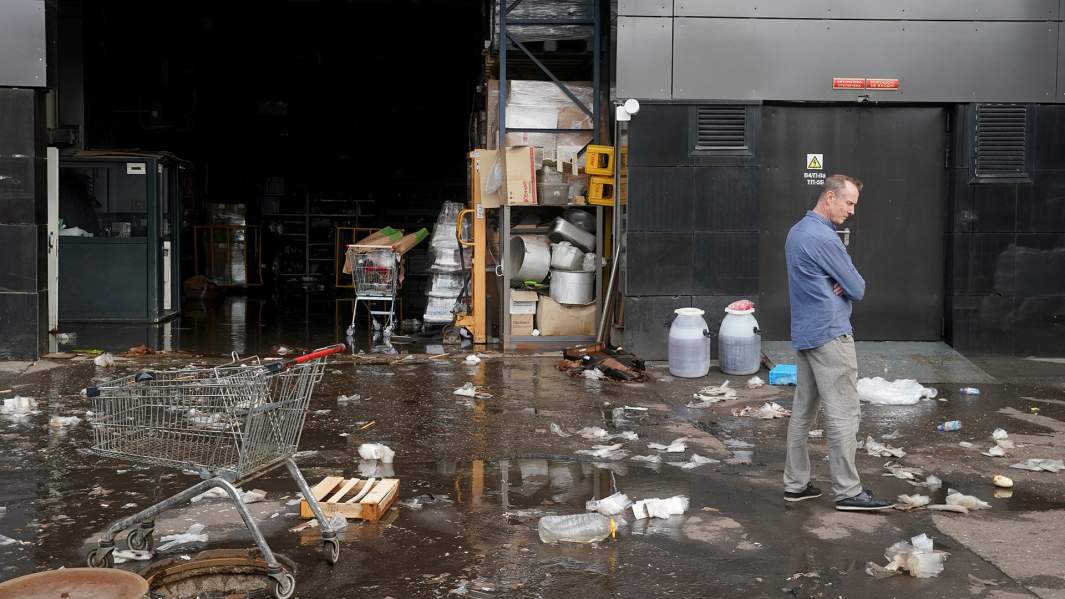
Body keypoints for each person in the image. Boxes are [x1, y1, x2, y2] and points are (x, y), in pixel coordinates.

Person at [782, 174, 892, 511]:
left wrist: (839, 280)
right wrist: (843, 282)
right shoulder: (825, 238)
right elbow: (857, 288)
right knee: (844, 413)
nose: (852, 210)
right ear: (830, 197)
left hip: (805, 333)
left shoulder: (797, 231)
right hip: (831, 334)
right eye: (849, 202)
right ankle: (848, 492)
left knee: (803, 412)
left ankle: (796, 484)